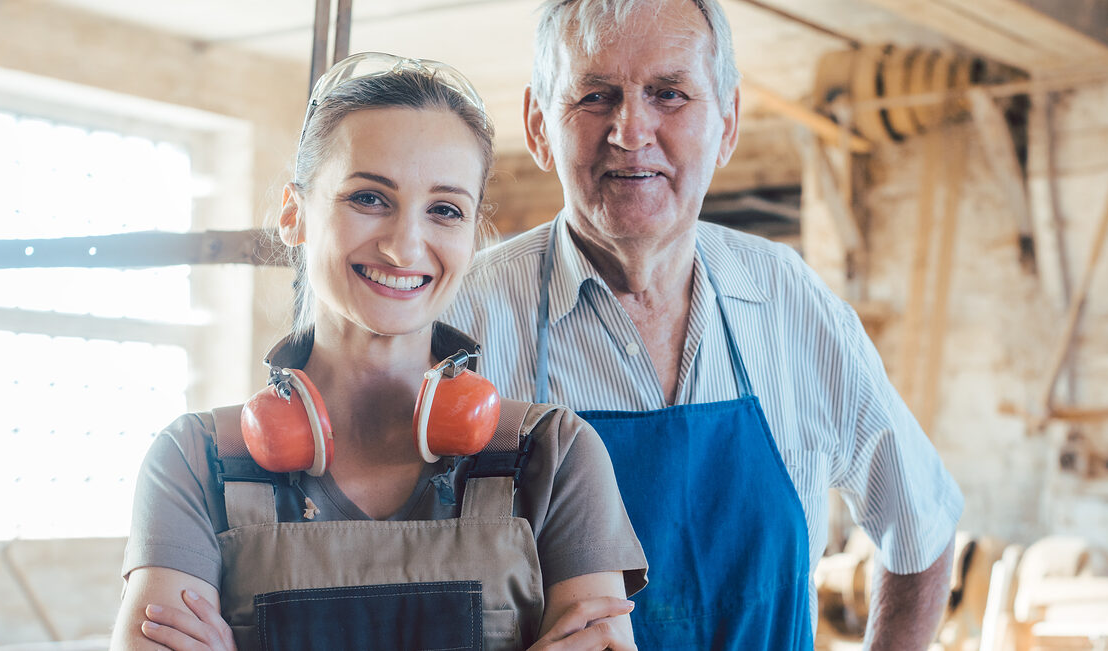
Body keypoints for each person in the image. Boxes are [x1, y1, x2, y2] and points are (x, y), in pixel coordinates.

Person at [440, 0, 965, 649]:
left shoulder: (787, 299)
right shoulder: (461, 320)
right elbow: (385, 587)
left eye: (669, 93)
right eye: (596, 95)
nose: (631, 131)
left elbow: (923, 525)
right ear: (539, 125)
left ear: (729, 121)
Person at [110, 53, 647, 651]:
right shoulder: (196, 461)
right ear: (295, 214)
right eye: (368, 198)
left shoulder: (552, 455)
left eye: (445, 209)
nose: (403, 246)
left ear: (472, 234)